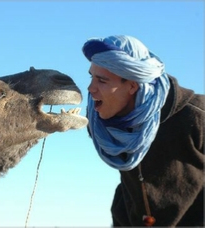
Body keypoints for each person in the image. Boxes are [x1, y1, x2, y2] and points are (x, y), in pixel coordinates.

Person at [82, 35, 204, 226]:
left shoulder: (196, 116)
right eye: (91, 77)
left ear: (132, 85)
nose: (90, 88)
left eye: (102, 81)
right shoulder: (100, 125)